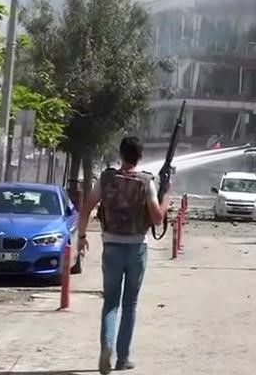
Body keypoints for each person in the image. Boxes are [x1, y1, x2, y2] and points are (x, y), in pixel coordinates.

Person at [77, 136, 170, 374]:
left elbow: (86, 208)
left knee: (110, 303)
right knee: (130, 304)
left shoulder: (106, 178)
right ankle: (123, 358)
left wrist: (82, 237)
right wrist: (166, 194)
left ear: (120, 154)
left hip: (111, 247)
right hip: (137, 248)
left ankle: (106, 346)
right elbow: (158, 218)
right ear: (140, 157)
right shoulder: (146, 182)